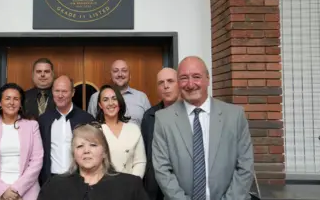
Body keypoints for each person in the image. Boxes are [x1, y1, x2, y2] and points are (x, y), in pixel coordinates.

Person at [152, 56, 254, 200]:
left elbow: (245, 165)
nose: (190, 84)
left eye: (196, 77)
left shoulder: (235, 116)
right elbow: (162, 170)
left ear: (208, 79)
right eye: (183, 78)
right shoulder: (163, 119)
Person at [37, 123, 150, 200]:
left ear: (104, 152)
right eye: (80, 146)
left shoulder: (130, 185)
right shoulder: (54, 186)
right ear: (74, 154)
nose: (86, 151)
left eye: (93, 145)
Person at [0, 83, 43, 200]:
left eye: (16, 99)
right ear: (0, 103)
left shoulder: (32, 126)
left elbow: (37, 161)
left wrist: (17, 189)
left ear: (21, 104)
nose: (11, 103)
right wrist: (3, 190)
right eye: (7, 98)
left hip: (26, 191)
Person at [37, 75, 95, 186]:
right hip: (51, 182)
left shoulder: (86, 119)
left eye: (64, 91)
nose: (60, 95)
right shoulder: (43, 120)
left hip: (80, 181)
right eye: (57, 91)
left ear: (72, 93)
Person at [141, 68, 180, 200]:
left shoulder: (190, 114)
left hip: (182, 186)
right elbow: (146, 153)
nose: (166, 86)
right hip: (155, 188)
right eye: (161, 83)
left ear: (179, 83)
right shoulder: (149, 116)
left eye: (170, 81)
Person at [95, 85, 146, 178]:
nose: (110, 103)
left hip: (131, 186)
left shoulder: (133, 129)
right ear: (100, 105)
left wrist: (132, 184)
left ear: (119, 102)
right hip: (103, 187)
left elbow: (140, 162)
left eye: (114, 99)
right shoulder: (95, 131)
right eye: (105, 100)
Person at [87, 60, 151, 127]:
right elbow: (91, 126)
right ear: (110, 75)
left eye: (124, 71)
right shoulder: (96, 97)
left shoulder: (142, 97)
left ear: (130, 75)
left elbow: (149, 127)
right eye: (115, 71)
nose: (120, 74)